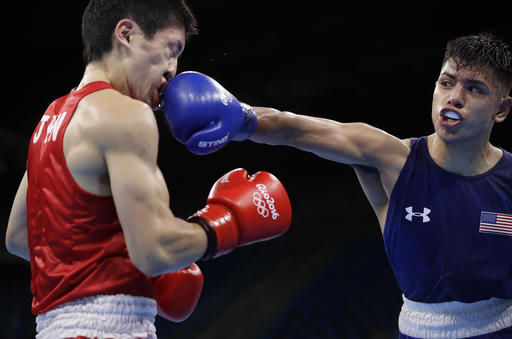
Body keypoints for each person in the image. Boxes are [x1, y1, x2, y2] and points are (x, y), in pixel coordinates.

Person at [163, 32, 512, 337]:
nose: (454, 97)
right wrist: (240, 117)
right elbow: (295, 128)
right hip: (419, 331)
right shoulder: (391, 158)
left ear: (501, 109)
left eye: (475, 89)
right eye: (446, 82)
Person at [5, 0, 292, 338]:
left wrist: (118, 263)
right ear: (126, 34)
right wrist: (225, 226)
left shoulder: (49, 121)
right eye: (171, 49)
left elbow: (21, 239)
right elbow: (156, 250)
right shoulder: (125, 113)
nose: (174, 69)